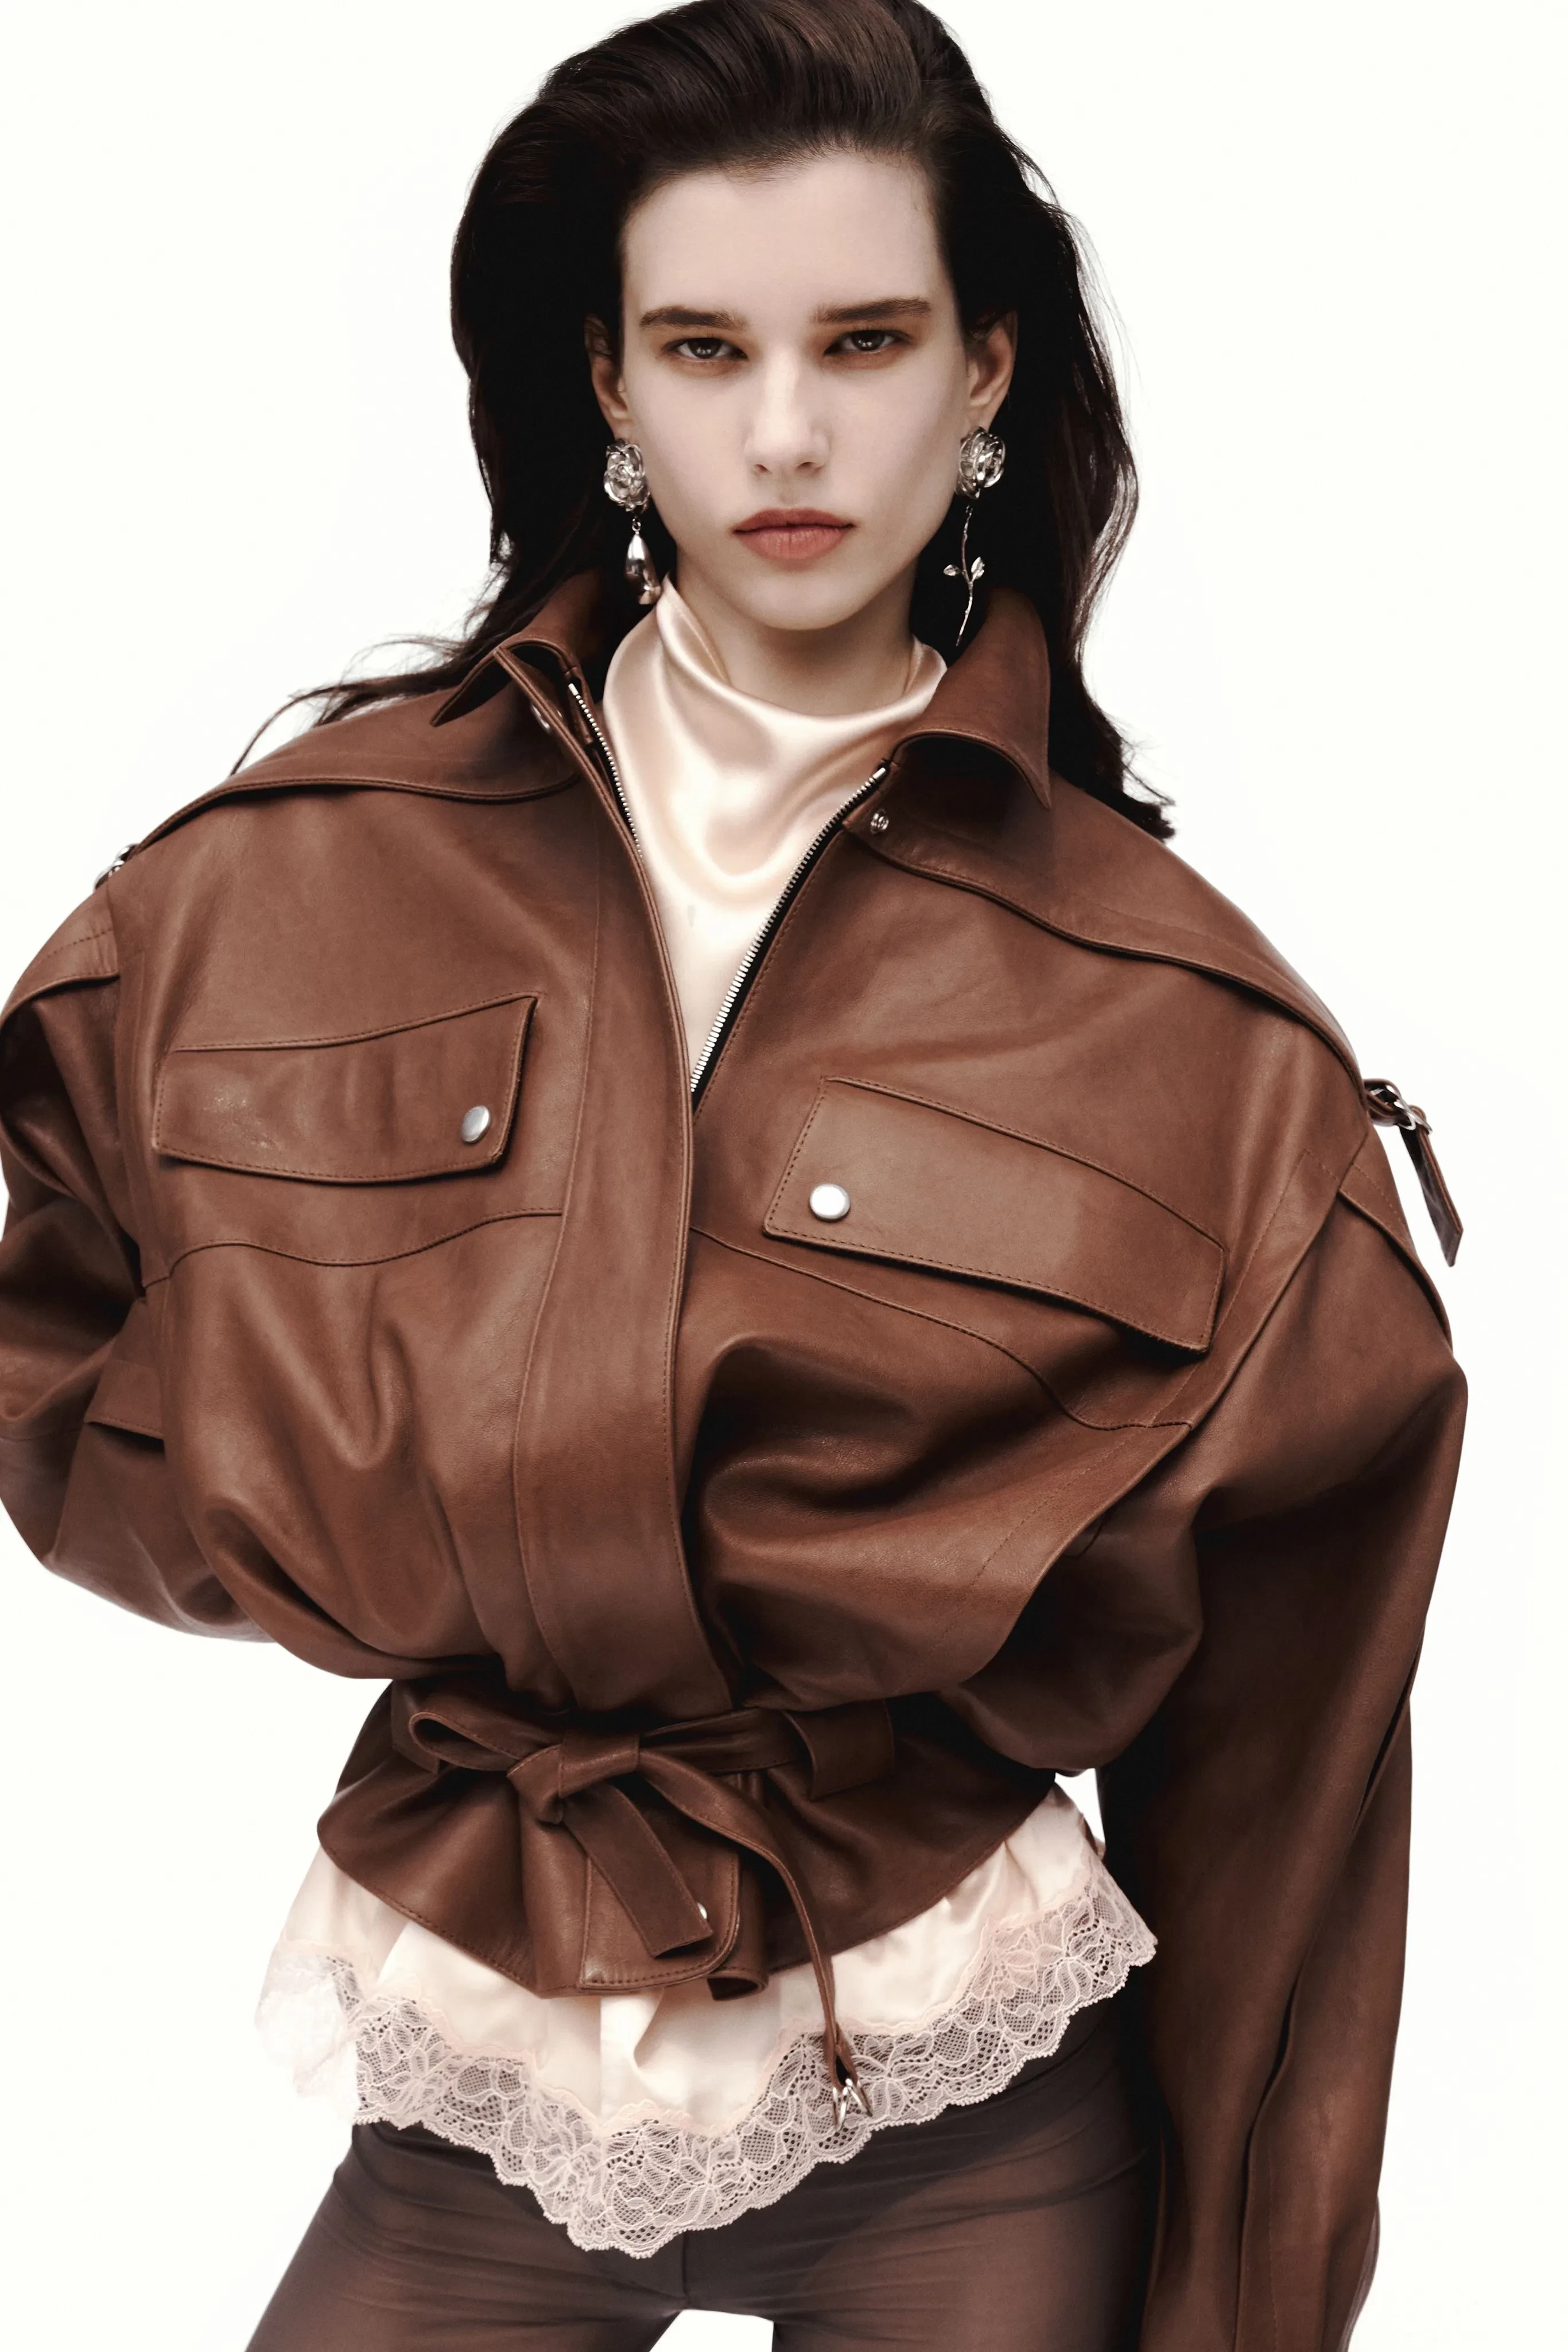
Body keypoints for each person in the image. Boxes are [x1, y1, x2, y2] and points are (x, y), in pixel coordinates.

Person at [0, 3, 1466, 2346]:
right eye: (702, 348)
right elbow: (64, 1324)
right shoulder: (293, 875)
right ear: (606, 380)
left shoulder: (1188, 1027)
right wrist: (351, 1526)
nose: (783, 433)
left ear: (983, 373)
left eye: (862, 342)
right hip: (481, 2094)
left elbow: (1284, 1782)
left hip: (977, 2131)